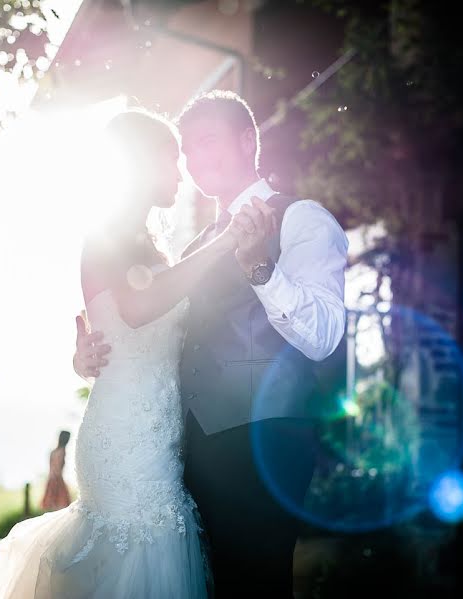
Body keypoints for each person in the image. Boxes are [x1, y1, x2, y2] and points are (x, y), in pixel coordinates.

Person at [73, 90, 348, 597]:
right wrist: (88, 353)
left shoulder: (301, 218)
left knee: (258, 584)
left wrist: (261, 271)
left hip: (265, 442)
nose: (196, 161)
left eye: (207, 142)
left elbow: (324, 337)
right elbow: (161, 332)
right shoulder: (195, 246)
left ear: (248, 141)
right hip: (190, 449)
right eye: (188, 151)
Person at [0, 108, 254, 598]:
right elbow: (137, 308)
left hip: (163, 436)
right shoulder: (105, 234)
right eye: (172, 160)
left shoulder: (155, 246)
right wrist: (222, 246)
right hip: (124, 436)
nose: (181, 172)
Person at [40, 431, 72, 512]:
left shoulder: (53, 452)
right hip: (57, 480)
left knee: (52, 507)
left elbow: (51, 467)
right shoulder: (62, 451)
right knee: (60, 507)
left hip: (51, 479)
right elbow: (58, 468)